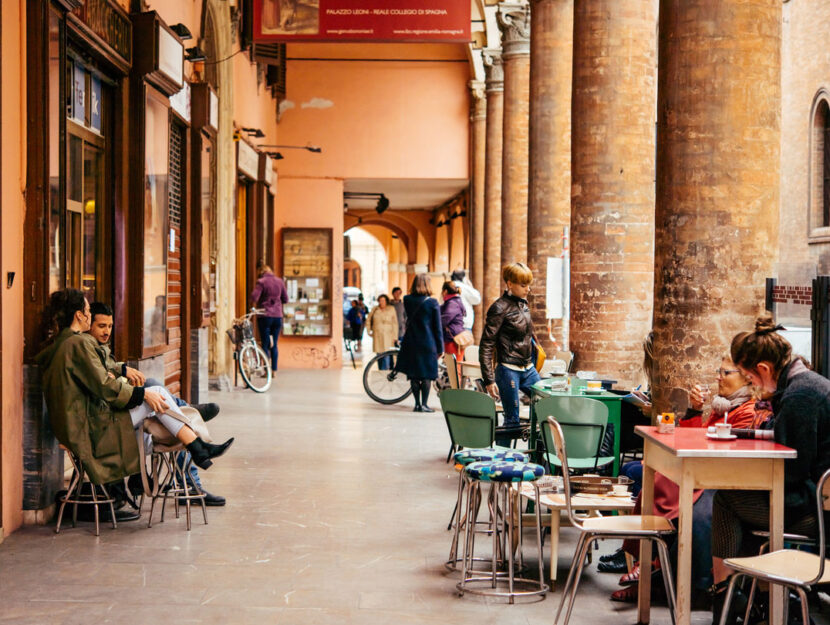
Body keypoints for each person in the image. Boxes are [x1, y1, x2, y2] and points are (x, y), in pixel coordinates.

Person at [607, 354, 772, 605]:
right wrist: (695, 410)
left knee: (662, 485)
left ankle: (653, 570)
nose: (718, 377)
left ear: (747, 379)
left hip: (718, 475)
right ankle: (647, 564)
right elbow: (694, 436)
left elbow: (716, 448)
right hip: (704, 468)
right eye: (719, 371)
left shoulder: (745, 411)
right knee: (651, 478)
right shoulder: (723, 406)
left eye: (725, 373)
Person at [35, 289, 234, 490]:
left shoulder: (64, 343)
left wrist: (121, 371)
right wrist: (142, 394)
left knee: (152, 410)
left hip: (79, 424)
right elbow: (104, 385)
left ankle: (188, 447)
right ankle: (196, 443)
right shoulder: (76, 343)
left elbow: (95, 370)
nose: (89, 314)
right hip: (90, 429)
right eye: (87, 310)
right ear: (79, 315)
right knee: (155, 394)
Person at [709, 314, 830, 623]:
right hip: (814, 499)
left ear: (763, 369)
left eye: (750, 378)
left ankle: (726, 595)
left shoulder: (801, 395)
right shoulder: (805, 385)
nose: (752, 384)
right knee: (740, 504)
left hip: (814, 511)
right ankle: (757, 598)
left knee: (726, 499)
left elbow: (791, 468)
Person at [87, 302, 225, 506]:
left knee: (162, 407)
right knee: (161, 399)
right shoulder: (84, 349)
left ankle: (184, 413)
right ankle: (189, 420)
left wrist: (121, 371)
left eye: (110, 326)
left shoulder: (98, 348)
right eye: (101, 326)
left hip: (118, 414)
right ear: (86, 322)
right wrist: (131, 384)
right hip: (107, 423)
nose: (107, 332)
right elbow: (106, 388)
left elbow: (109, 377)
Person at [479, 262, 540, 445]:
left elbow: (528, 335)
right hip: (508, 370)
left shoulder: (523, 304)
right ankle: (503, 465)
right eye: (523, 285)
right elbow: (486, 345)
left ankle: (540, 461)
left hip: (528, 369)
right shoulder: (499, 308)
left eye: (528, 284)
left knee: (546, 408)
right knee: (511, 422)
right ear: (509, 283)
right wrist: (489, 380)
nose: (528, 289)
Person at [395, 274, 443, 412]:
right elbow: (437, 327)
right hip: (428, 342)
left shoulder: (407, 299)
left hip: (411, 341)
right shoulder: (433, 302)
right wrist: (440, 348)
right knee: (426, 375)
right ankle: (425, 404)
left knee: (414, 374)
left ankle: (416, 404)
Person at [250, 261, 288, 374]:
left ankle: (267, 371)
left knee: (265, 344)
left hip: (265, 316)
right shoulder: (280, 282)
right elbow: (285, 299)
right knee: (274, 344)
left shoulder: (261, 282)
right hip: (277, 316)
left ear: (261, 273)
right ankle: (274, 370)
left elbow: (254, 297)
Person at [366, 294, 398, 370]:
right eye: (380, 300)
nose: (381, 302)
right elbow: (368, 319)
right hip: (377, 334)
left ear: (386, 301)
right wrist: (369, 330)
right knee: (379, 355)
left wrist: (395, 337)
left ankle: (385, 372)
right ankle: (380, 370)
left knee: (386, 354)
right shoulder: (375, 309)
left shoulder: (391, 309)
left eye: (383, 300)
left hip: (388, 335)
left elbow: (395, 323)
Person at [440, 281, 465, 359]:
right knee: (452, 366)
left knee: (454, 366)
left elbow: (444, 320)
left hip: (453, 339)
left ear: (445, 291)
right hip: (452, 337)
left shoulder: (452, 303)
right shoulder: (453, 301)